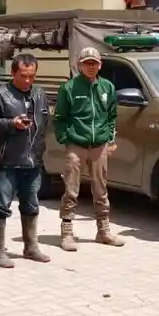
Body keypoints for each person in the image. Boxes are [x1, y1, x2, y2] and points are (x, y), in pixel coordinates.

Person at [0, 54, 52, 267]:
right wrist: (11, 123)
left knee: (31, 205)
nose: (28, 80)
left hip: (33, 162)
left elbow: (44, 120)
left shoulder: (40, 94)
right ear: (13, 73)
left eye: (32, 76)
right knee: (1, 206)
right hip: (8, 161)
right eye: (23, 76)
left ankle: (31, 247)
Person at [54, 47, 123, 251]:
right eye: (87, 63)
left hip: (99, 145)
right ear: (80, 65)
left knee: (101, 189)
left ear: (100, 65)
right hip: (76, 145)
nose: (91, 66)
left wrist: (109, 137)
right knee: (72, 189)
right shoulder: (69, 88)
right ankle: (67, 231)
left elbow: (111, 115)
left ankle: (103, 231)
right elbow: (59, 118)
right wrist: (66, 139)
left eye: (94, 63)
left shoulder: (107, 87)